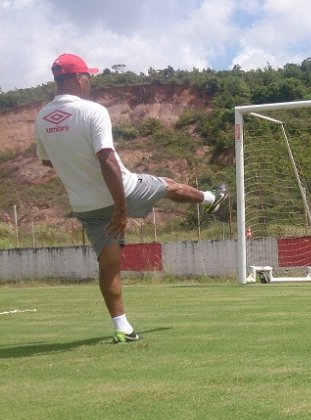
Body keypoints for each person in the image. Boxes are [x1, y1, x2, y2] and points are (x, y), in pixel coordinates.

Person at [34, 53, 229, 343]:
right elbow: (108, 161)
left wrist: (75, 165)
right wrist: (121, 210)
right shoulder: (92, 111)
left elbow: (47, 161)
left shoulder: (41, 118)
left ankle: (122, 327)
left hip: (86, 206)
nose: (90, 81)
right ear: (77, 78)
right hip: (122, 190)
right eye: (88, 76)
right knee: (168, 185)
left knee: (108, 264)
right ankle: (212, 198)